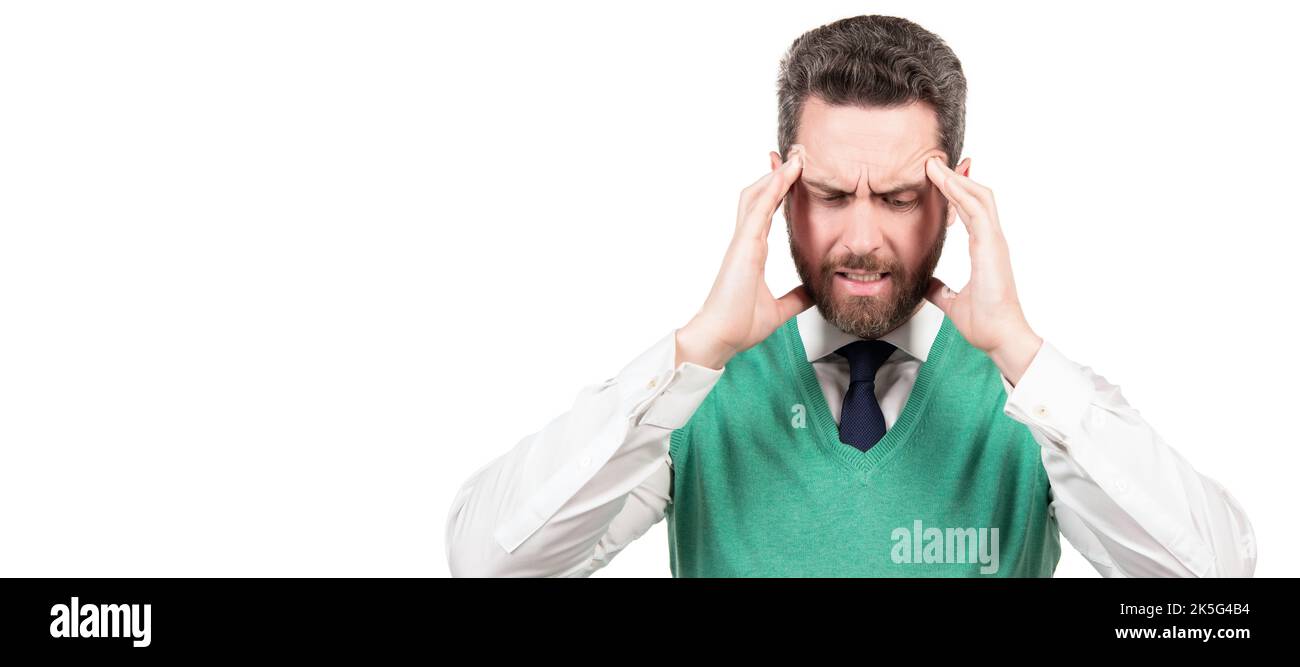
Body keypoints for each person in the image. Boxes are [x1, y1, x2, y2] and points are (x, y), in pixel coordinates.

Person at [444, 15, 1256, 577]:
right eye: (830, 193)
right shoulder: (695, 395)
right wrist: (693, 356)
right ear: (778, 186)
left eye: (900, 198)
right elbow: (488, 559)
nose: (862, 238)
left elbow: (1213, 589)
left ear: (958, 193)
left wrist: (1021, 354)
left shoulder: (1028, 404)